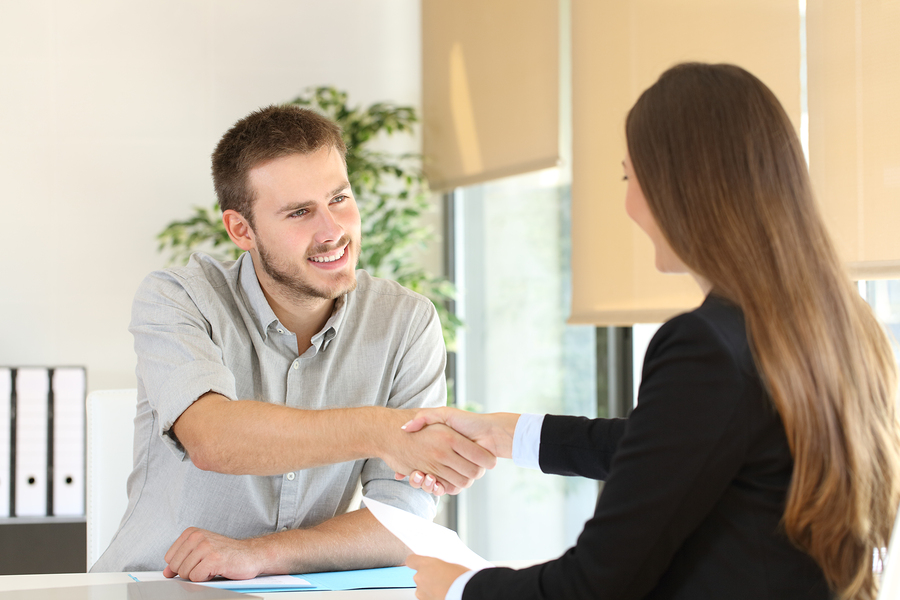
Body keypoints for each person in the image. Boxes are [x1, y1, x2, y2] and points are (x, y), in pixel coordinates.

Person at [403, 63, 900, 600]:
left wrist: (459, 587)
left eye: (628, 177)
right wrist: (506, 434)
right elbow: (684, 452)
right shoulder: (839, 324)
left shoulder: (706, 344)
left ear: (679, 185)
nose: (627, 203)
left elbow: (596, 584)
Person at [91, 105, 495, 578]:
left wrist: (262, 554)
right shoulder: (179, 298)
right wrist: (382, 430)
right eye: (300, 212)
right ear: (242, 229)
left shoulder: (405, 321)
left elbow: (403, 518)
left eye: (339, 199)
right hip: (159, 586)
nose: (332, 231)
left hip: (301, 586)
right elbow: (213, 439)